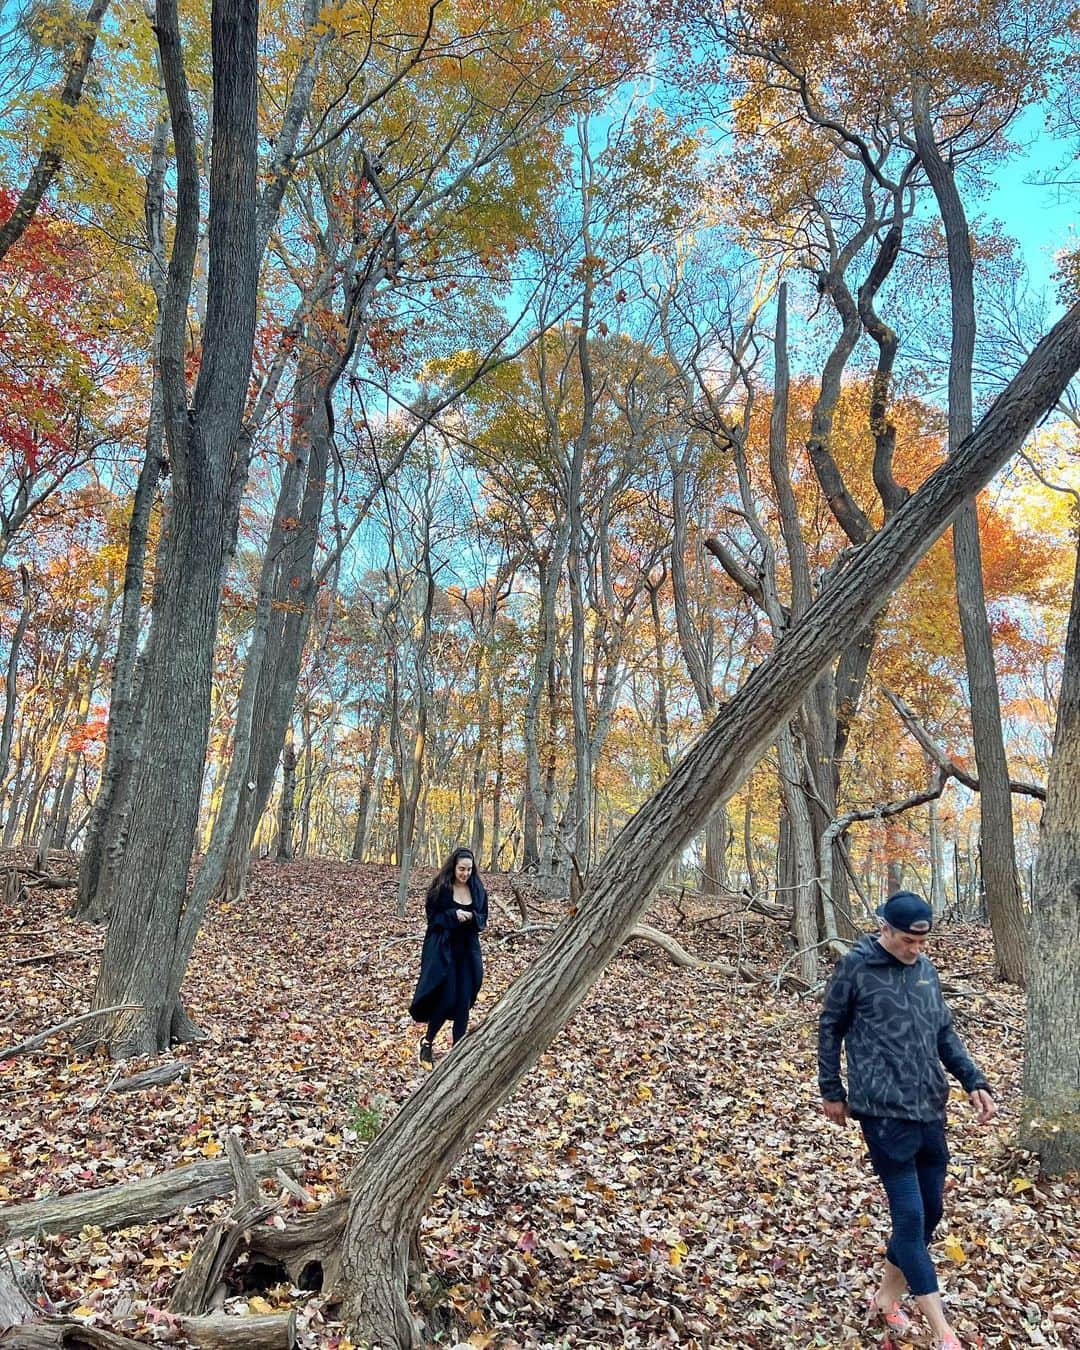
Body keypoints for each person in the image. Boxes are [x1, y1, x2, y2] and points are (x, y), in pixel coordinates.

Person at [818, 891, 996, 1350]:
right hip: (882, 1111)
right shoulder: (857, 967)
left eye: (922, 942)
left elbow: (944, 1034)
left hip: (929, 1108)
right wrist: (832, 1090)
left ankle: (885, 1296)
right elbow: (829, 1026)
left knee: (931, 1212)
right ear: (886, 930)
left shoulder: (925, 972)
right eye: (908, 941)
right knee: (912, 1217)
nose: (916, 949)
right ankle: (944, 1332)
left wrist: (974, 1081)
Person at [409, 847, 488, 1070]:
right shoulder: (441, 888)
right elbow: (433, 919)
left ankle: (457, 1054)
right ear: (453, 867)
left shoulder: (477, 889)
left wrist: (471, 916)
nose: (465, 874)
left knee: (463, 1002)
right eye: (461, 869)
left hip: (467, 950)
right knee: (446, 999)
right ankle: (427, 1041)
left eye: (469, 870)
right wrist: (453, 915)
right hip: (443, 950)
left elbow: (483, 918)